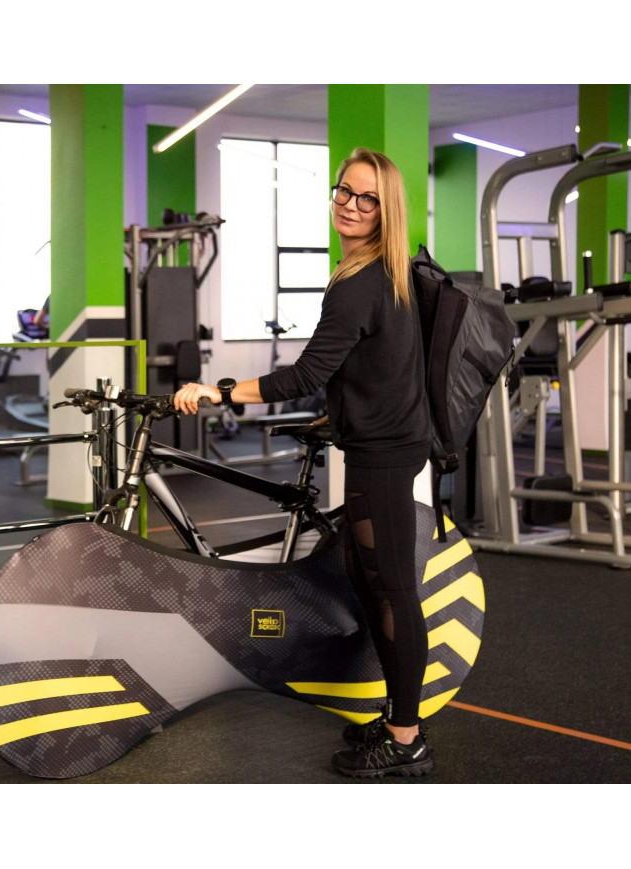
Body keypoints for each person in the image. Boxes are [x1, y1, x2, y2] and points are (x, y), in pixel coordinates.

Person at [174, 147, 434, 778]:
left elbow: (308, 374)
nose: (349, 205)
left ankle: (406, 739)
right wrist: (340, 416)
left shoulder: (364, 281)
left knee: (393, 591)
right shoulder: (381, 272)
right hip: (382, 442)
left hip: (384, 454)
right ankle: (398, 720)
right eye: (344, 191)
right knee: (375, 584)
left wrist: (222, 391)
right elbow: (384, 367)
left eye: (366, 198)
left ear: (386, 209)